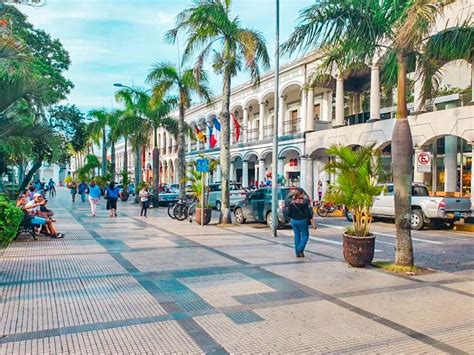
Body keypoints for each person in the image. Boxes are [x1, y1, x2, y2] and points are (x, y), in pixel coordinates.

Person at [287, 189, 315, 257]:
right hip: (302, 221)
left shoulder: (292, 202)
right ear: (301, 194)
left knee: (297, 236)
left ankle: (298, 253)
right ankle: (300, 248)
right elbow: (308, 213)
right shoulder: (304, 202)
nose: (304, 195)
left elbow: (288, 213)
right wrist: (312, 221)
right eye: (302, 194)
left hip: (293, 221)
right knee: (305, 235)